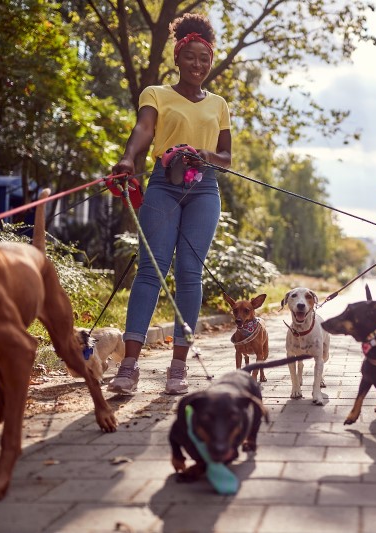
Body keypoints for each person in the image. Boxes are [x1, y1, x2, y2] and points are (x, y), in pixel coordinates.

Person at [107, 13, 232, 395]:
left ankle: (178, 368)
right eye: (191, 57)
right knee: (151, 270)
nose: (198, 65)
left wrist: (203, 154)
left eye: (204, 59)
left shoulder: (219, 104)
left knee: (190, 274)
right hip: (163, 184)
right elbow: (144, 129)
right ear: (178, 59)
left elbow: (227, 157)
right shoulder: (156, 93)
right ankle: (128, 367)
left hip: (204, 189)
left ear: (210, 63)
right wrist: (129, 159)